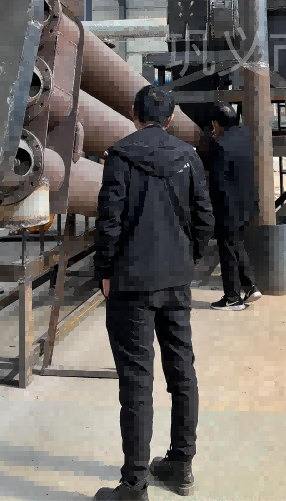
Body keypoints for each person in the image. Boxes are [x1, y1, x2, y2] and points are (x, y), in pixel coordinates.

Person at [93, 85, 214, 501]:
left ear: (133, 112)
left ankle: (135, 484)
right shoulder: (189, 158)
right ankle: (181, 465)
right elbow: (204, 218)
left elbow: (109, 220)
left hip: (131, 283)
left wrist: (104, 270)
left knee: (136, 380)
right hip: (175, 281)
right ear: (170, 118)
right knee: (182, 370)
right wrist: (186, 259)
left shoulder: (121, 156)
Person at [207, 102, 262, 311]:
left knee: (227, 249)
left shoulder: (219, 145)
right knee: (237, 244)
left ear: (215, 123)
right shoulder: (246, 136)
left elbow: (217, 183)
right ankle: (250, 286)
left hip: (228, 207)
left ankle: (232, 298)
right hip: (247, 204)